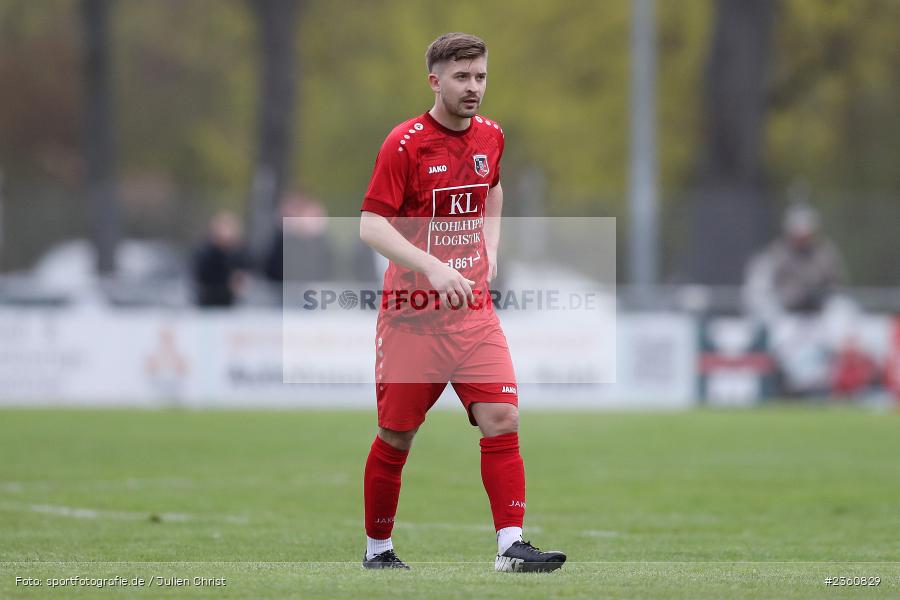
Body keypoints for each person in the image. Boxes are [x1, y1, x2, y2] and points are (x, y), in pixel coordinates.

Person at [357, 32, 565, 572]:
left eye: (481, 76)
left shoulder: (492, 135)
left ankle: (511, 546)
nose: (474, 88)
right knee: (396, 436)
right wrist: (431, 265)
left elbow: (492, 187)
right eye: (462, 77)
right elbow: (371, 225)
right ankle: (378, 550)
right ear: (435, 81)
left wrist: (490, 248)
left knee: (503, 418)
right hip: (411, 321)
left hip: (472, 314)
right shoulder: (404, 144)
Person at [191, 211, 248, 307]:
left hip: (231, 304)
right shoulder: (205, 251)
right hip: (207, 304)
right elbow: (201, 277)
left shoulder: (238, 252)